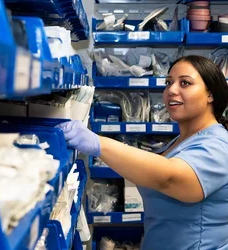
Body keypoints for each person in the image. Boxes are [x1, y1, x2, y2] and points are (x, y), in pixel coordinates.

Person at [57, 55, 228, 250]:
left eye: (185, 83)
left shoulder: (219, 145)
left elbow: (170, 178)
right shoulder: (179, 142)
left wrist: (98, 144)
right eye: (168, 82)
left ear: (210, 94)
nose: (171, 90)